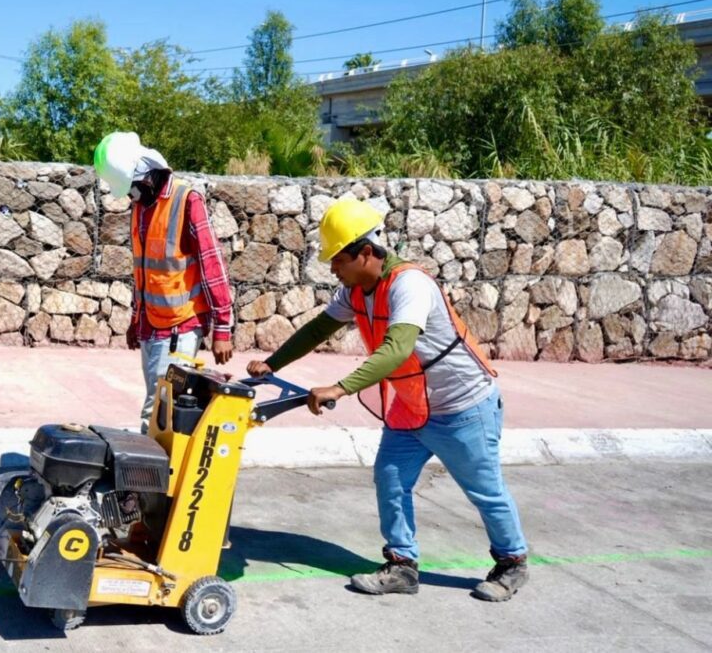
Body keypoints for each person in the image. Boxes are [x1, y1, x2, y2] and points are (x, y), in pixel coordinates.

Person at [246, 198, 529, 602]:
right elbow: (317, 330)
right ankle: (402, 566)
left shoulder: (410, 285)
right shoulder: (357, 290)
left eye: (338, 259)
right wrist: (272, 364)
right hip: (413, 405)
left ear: (365, 252)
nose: (332, 269)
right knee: (391, 479)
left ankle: (512, 564)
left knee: (484, 490)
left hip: (462, 405)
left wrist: (339, 388)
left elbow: (396, 350)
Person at [94, 132, 234, 433]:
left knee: (157, 411)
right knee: (161, 410)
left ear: (146, 175)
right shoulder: (141, 206)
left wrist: (222, 328)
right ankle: (160, 475)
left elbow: (212, 263)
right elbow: (145, 270)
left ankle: (149, 478)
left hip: (179, 325)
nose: (130, 197)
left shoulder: (187, 200)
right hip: (151, 324)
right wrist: (136, 319)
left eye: (131, 189)